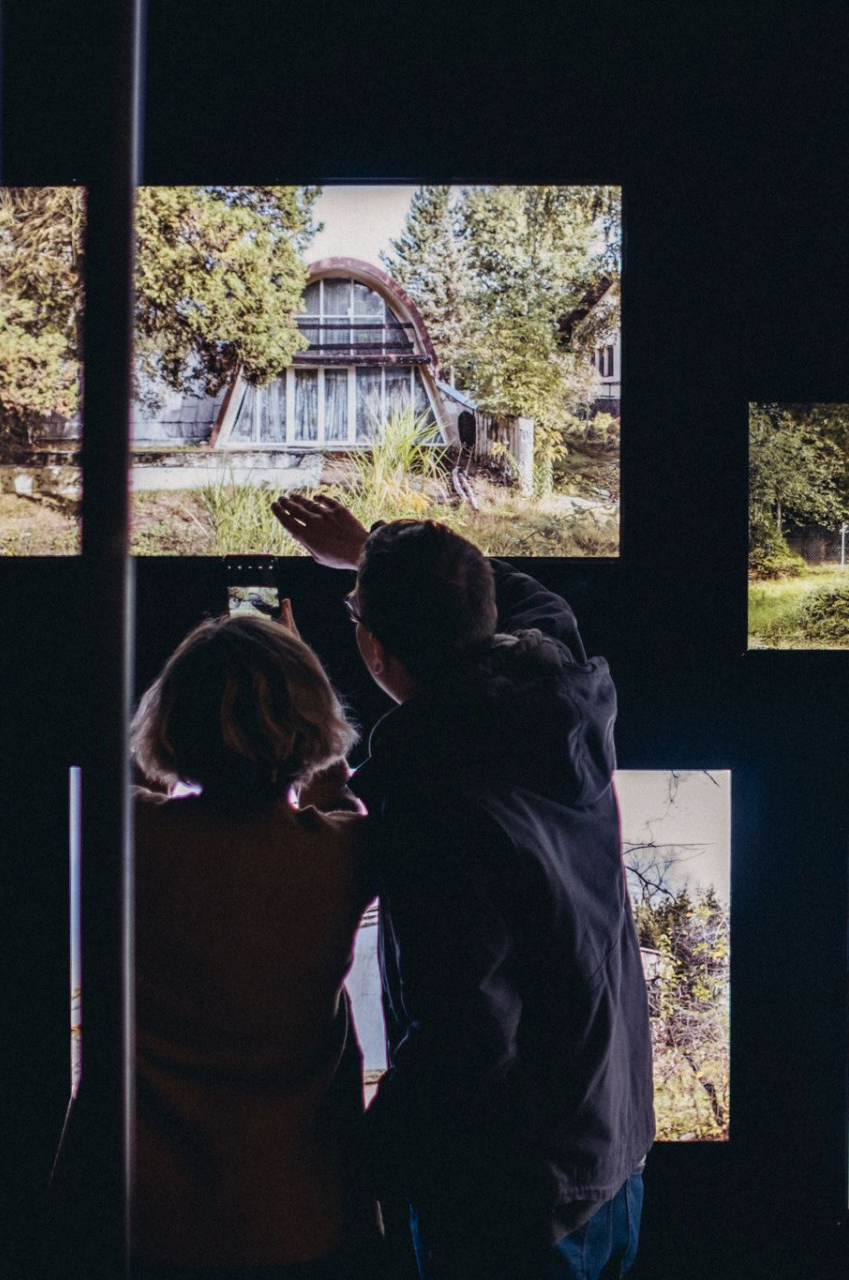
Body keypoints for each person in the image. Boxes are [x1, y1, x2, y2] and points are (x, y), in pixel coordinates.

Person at [271, 494, 654, 1280]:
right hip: (609, 1154)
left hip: (514, 1205)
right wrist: (370, 550)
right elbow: (530, 600)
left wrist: (355, 1162)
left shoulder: (433, 802)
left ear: (373, 649)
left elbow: (466, 1037)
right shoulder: (562, 689)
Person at [52, 613, 382, 1278]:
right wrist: (292, 671)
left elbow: (138, 776)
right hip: (295, 1217)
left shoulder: (129, 835)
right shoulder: (346, 852)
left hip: (141, 1215)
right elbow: (337, 791)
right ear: (312, 722)